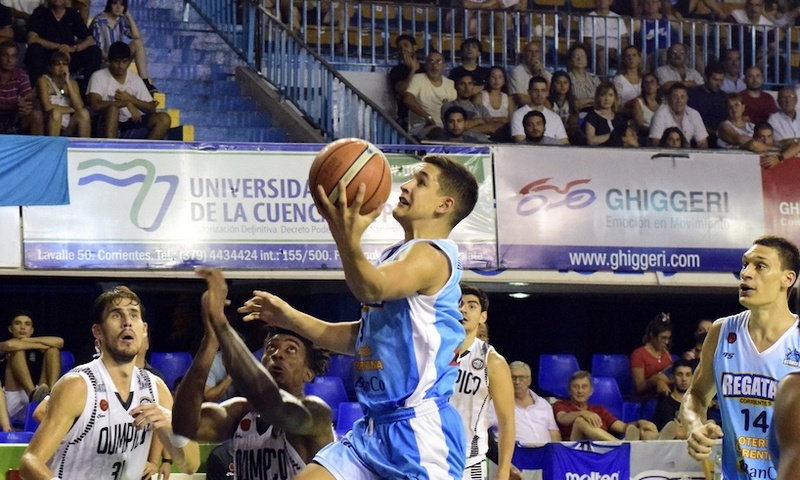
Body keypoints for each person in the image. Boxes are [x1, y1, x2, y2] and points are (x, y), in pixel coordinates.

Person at [239, 154, 479, 480]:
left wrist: (344, 233)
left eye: (421, 182)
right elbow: (362, 336)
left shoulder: (432, 255)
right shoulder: (398, 255)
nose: (406, 186)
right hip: (372, 430)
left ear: (444, 205)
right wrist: (289, 318)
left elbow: (370, 287)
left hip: (418, 433)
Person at [19, 285, 200, 480]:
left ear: (144, 329)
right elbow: (30, 461)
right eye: (116, 315)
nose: (127, 322)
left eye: (133, 315)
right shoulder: (78, 384)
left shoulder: (155, 387)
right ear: (98, 331)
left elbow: (190, 466)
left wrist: (172, 425)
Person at [172, 268, 334, 480]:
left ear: (308, 373)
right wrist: (210, 342)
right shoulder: (241, 412)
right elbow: (184, 426)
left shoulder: (316, 413)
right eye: (271, 348)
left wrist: (221, 324)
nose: (278, 355)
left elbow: (273, 406)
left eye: (291, 349)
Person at [680, 235, 800, 480]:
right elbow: (696, 394)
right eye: (745, 264)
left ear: (788, 278)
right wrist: (695, 426)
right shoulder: (721, 331)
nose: (746, 273)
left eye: (760, 266)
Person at [450, 283, 514, 480]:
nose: (464, 309)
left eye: (472, 305)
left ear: (482, 316)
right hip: (431, 455)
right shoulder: (432, 352)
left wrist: (503, 471)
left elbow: (506, 422)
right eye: (459, 304)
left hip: (471, 460)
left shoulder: (492, 361)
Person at [87, 41, 171, 139]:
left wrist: (131, 100)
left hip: (131, 121)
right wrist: (125, 103)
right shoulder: (98, 76)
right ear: (109, 60)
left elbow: (151, 108)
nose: (120, 66)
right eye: (117, 61)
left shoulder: (135, 79)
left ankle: (146, 152)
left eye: (124, 62)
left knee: (164, 119)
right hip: (104, 122)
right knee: (113, 109)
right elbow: (95, 105)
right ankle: (111, 150)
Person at [553, 371, 664, 441]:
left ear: (591, 391)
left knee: (645, 429)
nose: (580, 391)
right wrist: (582, 413)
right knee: (580, 421)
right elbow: (562, 418)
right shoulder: (561, 405)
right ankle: (618, 445)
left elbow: (622, 427)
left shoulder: (599, 409)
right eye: (575, 387)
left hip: (601, 450)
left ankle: (659, 441)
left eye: (584, 387)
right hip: (576, 449)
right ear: (569, 390)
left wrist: (639, 423)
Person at [0, 310, 63, 425]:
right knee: (16, 351)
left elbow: (59, 341)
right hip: (12, 398)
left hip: (40, 393)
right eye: (18, 323)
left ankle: (52, 394)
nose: (22, 327)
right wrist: (39, 344)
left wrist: (26, 341)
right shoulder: (4, 346)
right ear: (10, 329)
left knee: (53, 350)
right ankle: (32, 394)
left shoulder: (32, 344)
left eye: (27, 324)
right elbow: (10, 345)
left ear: (32, 330)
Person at [24, 0, 102, 86]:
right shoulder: (40, 12)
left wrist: (74, 48)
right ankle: (38, 88)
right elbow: (32, 38)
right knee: (34, 49)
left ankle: (87, 89)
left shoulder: (72, 14)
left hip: (68, 56)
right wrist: (58, 46)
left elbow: (90, 40)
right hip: (48, 56)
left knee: (94, 51)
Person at [91, 0, 156, 93]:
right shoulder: (99, 20)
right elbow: (98, 49)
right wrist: (112, 61)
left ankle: (145, 81)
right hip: (105, 62)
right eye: (115, 3)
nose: (118, 7)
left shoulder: (120, 20)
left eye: (122, 5)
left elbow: (136, 36)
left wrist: (128, 15)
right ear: (110, 4)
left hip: (120, 60)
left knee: (137, 43)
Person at [491, 361, 560, 445]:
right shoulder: (496, 404)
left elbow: (554, 433)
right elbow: (480, 430)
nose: (517, 382)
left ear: (529, 380)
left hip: (545, 454)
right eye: (513, 378)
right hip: (516, 455)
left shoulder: (543, 404)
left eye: (521, 378)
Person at [403, 51, 457, 139]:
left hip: (446, 125)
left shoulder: (450, 83)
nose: (434, 65)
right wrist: (427, 117)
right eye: (431, 62)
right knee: (440, 132)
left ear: (444, 66)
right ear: (425, 65)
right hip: (421, 125)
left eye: (438, 62)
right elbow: (407, 99)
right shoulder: (418, 79)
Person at [36, 51, 90, 137]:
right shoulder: (43, 80)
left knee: (84, 113)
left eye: (65, 64)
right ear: (50, 68)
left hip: (68, 125)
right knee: (56, 112)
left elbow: (79, 106)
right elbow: (47, 106)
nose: (61, 67)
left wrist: (68, 82)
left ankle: (85, 148)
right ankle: (54, 146)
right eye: (57, 64)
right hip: (50, 121)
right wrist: (72, 109)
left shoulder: (73, 83)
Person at [0, 39, 43, 135]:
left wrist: (26, 105)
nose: (9, 60)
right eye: (5, 55)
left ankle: (37, 149)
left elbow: (30, 99)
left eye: (13, 56)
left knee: (36, 115)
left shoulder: (21, 75)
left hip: (13, 118)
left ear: (17, 59)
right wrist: (14, 105)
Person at [649, 82, 709, 148]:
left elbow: (703, 142)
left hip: (687, 154)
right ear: (669, 99)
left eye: (682, 97)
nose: (679, 101)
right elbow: (655, 142)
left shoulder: (694, 114)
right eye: (675, 97)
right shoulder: (660, 114)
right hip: (666, 154)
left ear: (687, 99)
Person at [511, 76, 569, 144]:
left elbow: (565, 143)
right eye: (536, 90)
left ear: (547, 93)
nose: (539, 94)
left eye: (543, 90)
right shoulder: (518, 115)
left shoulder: (555, 117)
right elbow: (521, 142)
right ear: (529, 92)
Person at [630, 313, 674, 399]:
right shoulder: (638, 354)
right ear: (652, 335)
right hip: (645, 400)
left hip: (664, 398)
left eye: (668, 338)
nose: (666, 342)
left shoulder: (666, 353)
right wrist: (656, 380)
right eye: (663, 338)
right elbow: (639, 387)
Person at [582, 0, 628, 75]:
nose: (602, 1)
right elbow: (588, 41)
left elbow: (624, 40)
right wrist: (607, 50)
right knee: (602, 54)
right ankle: (603, 83)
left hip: (616, 51)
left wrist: (618, 51)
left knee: (630, 55)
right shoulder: (590, 17)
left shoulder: (618, 18)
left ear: (610, 2)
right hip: (598, 52)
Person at [583, 82, 635, 147]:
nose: (607, 99)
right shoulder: (592, 116)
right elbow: (591, 141)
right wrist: (614, 135)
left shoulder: (620, 118)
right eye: (603, 95)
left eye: (610, 95)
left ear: (614, 98)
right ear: (597, 97)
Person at [651, 359, 693, 438]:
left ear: (692, 378)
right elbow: (676, 433)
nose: (684, 379)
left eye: (688, 375)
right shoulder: (665, 403)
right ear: (672, 378)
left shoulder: (699, 403)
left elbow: (710, 423)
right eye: (680, 374)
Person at [388, 34, 423, 127]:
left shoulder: (426, 69)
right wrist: (412, 70)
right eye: (400, 47)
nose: (403, 49)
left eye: (406, 45)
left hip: (425, 114)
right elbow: (401, 91)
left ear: (414, 48)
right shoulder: (396, 71)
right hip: (405, 118)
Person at [687, 62, 728, 141]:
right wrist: (715, 132)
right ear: (705, 77)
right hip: (697, 140)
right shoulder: (692, 95)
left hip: (722, 141)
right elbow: (690, 122)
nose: (718, 84)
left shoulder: (724, 97)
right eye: (715, 80)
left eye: (721, 80)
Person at [508, 40, 551, 107]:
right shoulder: (517, 72)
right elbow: (520, 98)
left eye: (536, 52)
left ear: (540, 55)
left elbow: (550, 95)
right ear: (524, 55)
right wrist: (543, 103)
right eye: (530, 52)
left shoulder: (547, 74)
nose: (534, 55)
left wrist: (542, 73)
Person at [547, 70, 580, 144]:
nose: (562, 86)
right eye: (558, 82)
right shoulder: (547, 101)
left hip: (569, 135)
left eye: (565, 82)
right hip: (552, 134)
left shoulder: (573, 100)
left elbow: (574, 125)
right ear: (553, 85)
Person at [566, 42, 601, 111]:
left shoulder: (594, 78)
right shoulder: (567, 78)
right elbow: (574, 103)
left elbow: (601, 98)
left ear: (587, 60)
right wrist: (592, 100)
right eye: (576, 56)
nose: (579, 59)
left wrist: (584, 101)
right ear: (571, 60)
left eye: (583, 56)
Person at [632, 73, 661, 144]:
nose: (649, 84)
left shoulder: (665, 103)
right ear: (642, 86)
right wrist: (655, 130)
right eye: (646, 82)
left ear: (658, 85)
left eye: (652, 81)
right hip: (645, 136)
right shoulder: (638, 102)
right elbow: (640, 126)